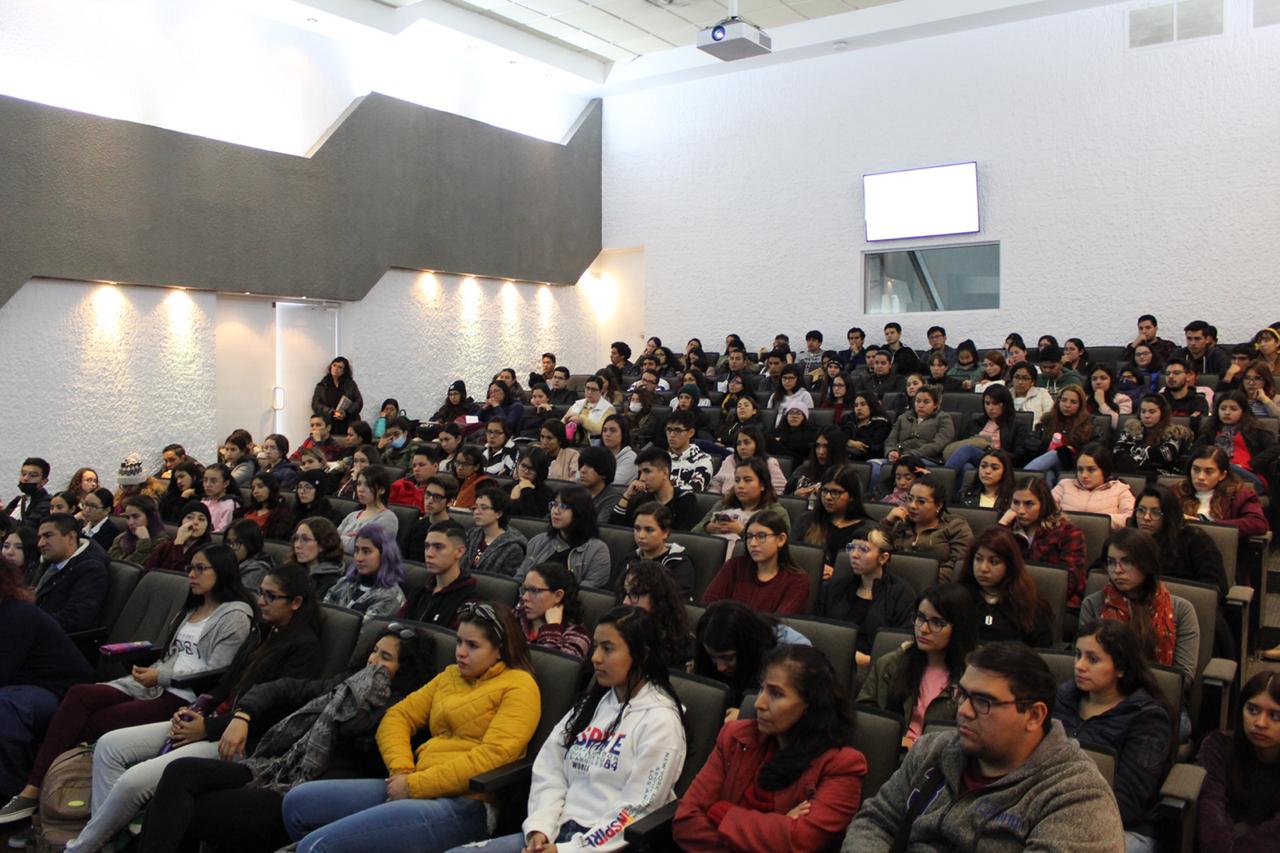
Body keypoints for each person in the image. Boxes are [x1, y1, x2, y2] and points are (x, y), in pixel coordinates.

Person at [55, 563, 325, 852]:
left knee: (134, 780)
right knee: (109, 745)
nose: (261, 601)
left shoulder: (304, 648)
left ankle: (84, 847)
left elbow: (274, 715)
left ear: (296, 602)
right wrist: (197, 710)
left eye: (271, 596)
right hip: (211, 720)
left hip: (240, 740)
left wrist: (206, 728)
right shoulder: (262, 632)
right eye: (260, 593)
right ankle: (110, 841)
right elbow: (225, 684)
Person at [0, 544, 255, 822]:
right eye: (190, 568)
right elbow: (172, 655)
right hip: (157, 683)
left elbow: (217, 671)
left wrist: (160, 676)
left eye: (200, 568)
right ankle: (34, 788)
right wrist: (150, 670)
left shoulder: (235, 615)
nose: (191, 574)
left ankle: (40, 790)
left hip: (185, 696)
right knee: (80, 695)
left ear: (222, 572)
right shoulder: (192, 608)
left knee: (97, 720)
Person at [132, 629, 438, 853]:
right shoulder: (340, 686)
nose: (372, 661)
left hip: (306, 791)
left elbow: (360, 739)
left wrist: (364, 696)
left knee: (190, 810)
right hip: (275, 767)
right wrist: (243, 716)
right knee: (179, 773)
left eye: (385, 658)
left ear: (405, 670)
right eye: (373, 651)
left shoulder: (401, 710)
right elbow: (282, 688)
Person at [277, 603, 538, 852]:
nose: (460, 652)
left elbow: (493, 758)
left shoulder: (520, 686)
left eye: (472, 645)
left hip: (468, 803)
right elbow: (397, 717)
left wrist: (415, 786)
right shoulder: (451, 676)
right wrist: (402, 770)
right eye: (459, 641)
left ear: (499, 650)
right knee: (297, 803)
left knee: (317, 847)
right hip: (414, 783)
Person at [846, 641, 1125, 851]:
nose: (964, 711)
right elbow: (875, 821)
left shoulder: (1077, 798)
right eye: (962, 694)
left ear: (1034, 716)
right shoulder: (933, 750)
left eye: (983, 701)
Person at [452, 606, 685, 853]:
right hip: (556, 832)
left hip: (603, 846)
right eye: (595, 646)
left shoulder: (661, 721)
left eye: (608, 648)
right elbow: (550, 768)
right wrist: (540, 828)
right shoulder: (593, 704)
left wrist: (568, 850)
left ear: (642, 654)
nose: (595, 657)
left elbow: (638, 809)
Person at [674, 644, 868, 852]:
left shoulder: (842, 766)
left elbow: (799, 841)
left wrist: (720, 811)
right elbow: (686, 820)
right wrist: (777, 826)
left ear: (810, 704)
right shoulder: (735, 736)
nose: (759, 703)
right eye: (761, 688)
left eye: (776, 694)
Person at [1053, 620, 1175, 853]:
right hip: (1054, 813)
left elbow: (1129, 801)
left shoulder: (1147, 718)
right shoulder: (1064, 698)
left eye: (1093, 659)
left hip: (1123, 827)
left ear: (1120, 668)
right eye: (1077, 655)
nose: (1079, 665)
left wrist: (1062, 815)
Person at [0, 554, 94, 805]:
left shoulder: (17, 615)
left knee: (3, 707)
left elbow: (3, 671)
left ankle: (12, 792)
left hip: (57, 692)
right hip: (20, 686)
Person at [857, 583, 978, 749]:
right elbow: (864, 715)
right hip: (892, 752)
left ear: (959, 628)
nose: (923, 628)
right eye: (920, 618)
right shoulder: (891, 664)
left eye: (937, 623)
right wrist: (895, 737)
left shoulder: (974, 678)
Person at [1078, 528, 1200, 688]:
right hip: (1103, 695)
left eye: (1127, 561)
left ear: (1147, 564)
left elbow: (1183, 676)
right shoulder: (1094, 604)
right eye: (1111, 562)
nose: (1117, 570)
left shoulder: (1181, 609)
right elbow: (1085, 662)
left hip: (1160, 696)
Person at [1196, 669, 1280, 853]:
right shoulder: (1217, 746)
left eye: (1274, 716)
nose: (1260, 723)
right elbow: (1211, 811)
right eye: (1253, 710)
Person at [816, 529, 914, 666]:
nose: (854, 555)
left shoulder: (900, 593)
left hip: (876, 666)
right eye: (851, 548)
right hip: (832, 660)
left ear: (883, 558)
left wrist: (869, 661)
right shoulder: (835, 588)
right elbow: (818, 629)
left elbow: (902, 643)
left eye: (864, 549)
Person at [955, 527, 1054, 647]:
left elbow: (1041, 654)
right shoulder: (959, 596)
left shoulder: (1029, 605)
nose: (983, 569)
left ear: (1010, 565)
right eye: (978, 559)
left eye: (994, 562)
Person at [998, 477, 1088, 608]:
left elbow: (1068, 582)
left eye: (1029, 504)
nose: (1020, 510)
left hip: (1057, 603)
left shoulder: (1068, 532)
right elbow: (989, 560)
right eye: (1016, 503)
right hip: (1012, 599)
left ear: (1044, 504)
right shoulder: (1008, 529)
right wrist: (1002, 525)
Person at [702, 509, 809, 614]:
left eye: (761, 536)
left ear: (781, 539)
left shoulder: (797, 581)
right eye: (749, 537)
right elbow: (707, 607)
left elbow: (779, 624)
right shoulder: (734, 566)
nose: (753, 543)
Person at [1131, 484, 1227, 596]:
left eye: (1156, 513)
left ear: (1169, 515)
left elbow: (1215, 587)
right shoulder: (1130, 540)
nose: (1146, 518)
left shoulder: (1195, 539)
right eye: (1141, 511)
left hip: (1186, 605)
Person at [878, 475, 974, 583]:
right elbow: (875, 551)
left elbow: (958, 566)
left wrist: (923, 579)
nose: (912, 505)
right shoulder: (901, 523)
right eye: (910, 499)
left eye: (921, 501)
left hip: (936, 588)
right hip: (895, 586)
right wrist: (887, 522)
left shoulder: (955, 526)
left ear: (938, 505)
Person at [514, 484, 611, 589]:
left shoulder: (597, 550)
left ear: (580, 511)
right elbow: (519, 579)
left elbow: (586, 593)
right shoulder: (538, 541)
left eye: (563, 507)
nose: (555, 511)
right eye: (554, 504)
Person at [31, 512, 110, 632]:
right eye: (40, 537)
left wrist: (28, 623)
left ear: (71, 537)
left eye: (47, 536)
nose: (40, 543)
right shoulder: (48, 563)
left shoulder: (90, 570)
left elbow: (76, 618)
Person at [943, 384, 1035, 478]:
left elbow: (1019, 456)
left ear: (1005, 404)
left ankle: (941, 480)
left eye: (995, 403)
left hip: (999, 461)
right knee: (967, 467)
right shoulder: (975, 423)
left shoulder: (1017, 426)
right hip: (977, 462)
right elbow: (961, 444)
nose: (990, 408)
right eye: (987, 403)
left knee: (968, 450)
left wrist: (992, 450)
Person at [798, 463, 873, 577]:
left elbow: (869, 573)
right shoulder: (807, 520)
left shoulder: (867, 530)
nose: (828, 497)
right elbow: (793, 557)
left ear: (852, 496)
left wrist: (837, 574)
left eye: (836, 492)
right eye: (824, 490)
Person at [1197, 389, 1278, 491]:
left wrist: (1250, 464)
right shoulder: (1210, 430)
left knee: (1222, 465)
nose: (1227, 412)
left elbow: (1275, 448)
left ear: (1243, 411)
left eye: (1233, 409)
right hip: (1214, 474)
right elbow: (1196, 452)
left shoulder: (1255, 429)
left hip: (1248, 475)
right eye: (1223, 408)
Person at [323, 524, 407, 622]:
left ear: (384, 555)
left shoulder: (390, 597)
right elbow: (323, 614)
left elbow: (360, 632)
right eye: (356, 550)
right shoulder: (345, 582)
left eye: (366, 552)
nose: (359, 558)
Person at [617, 559, 694, 666]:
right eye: (625, 593)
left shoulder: (679, 647)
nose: (625, 602)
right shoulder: (617, 632)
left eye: (634, 595)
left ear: (657, 599)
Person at [404, 520, 481, 626]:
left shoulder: (469, 601)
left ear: (459, 551)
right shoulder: (420, 591)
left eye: (438, 547)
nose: (429, 554)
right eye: (427, 546)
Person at [613, 502, 695, 599]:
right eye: (637, 529)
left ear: (666, 533)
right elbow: (615, 593)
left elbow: (675, 600)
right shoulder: (628, 560)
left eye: (649, 530)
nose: (641, 536)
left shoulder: (679, 563)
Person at [694, 457, 787, 543]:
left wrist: (742, 531)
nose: (740, 486)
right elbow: (693, 533)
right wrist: (708, 528)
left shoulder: (776, 512)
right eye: (737, 480)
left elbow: (783, 545)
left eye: (748, 480)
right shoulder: (723, 505)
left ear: (762, 485)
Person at [875, 386, 953, 484]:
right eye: (918, 401)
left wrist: (912, 455)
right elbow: (891, 439)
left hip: (926, 458)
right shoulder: (903, 417)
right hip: (900, 457)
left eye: (926, 402)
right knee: (873, 465)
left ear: (935, 405)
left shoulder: (943, 418)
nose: (920, 405)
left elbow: (938, 444)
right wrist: (891, 451)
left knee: (905, 469)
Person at [610, 446, 698, 530]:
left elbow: (683, 537)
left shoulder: (685, 499)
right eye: (640, 472)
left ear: (665, 473)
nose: (642, 478)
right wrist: (627, 495)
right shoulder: (640, 499)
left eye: (647, 471)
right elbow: (614, 529)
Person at [1022, 383, 1095, 484]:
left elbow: (1093, 448)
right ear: (1058, 401)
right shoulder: (1047, 419)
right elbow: (1031, 441)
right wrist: (1045, 446)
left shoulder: (1088, 423)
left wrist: (1068, 451)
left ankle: (1023, 477)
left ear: (1080, 405)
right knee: (1048, 474)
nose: (1067, 405)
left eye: (1073, 402)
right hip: (1047, 462)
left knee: (1057, 453)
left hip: (1073, 464)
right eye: (1064, 400)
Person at [516, 562, 592, 659]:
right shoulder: (517, 616)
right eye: (525, 589)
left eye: (534, 591)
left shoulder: (577, 635)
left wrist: (552, 628)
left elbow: (549, 668)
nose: (525, 597)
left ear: (558, 596)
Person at [1052, 442, 1136, 529]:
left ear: (1104, 470)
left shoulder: (1120, 489)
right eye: (1080, 470)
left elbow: (1130, 518)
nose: (1084, 475)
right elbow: (1045, 509)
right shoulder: (1065, 485)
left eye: (1091, 470)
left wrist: (1098, 521)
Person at [462, 487, 528, 576]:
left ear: (499, 513)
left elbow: (504, 583)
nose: (477, 512)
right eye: (475, 507)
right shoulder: (472, 534)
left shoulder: (513, 547)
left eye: (483, 508)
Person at [336, 467, 398, 554]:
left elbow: (361, 548)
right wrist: (351, 539)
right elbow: (331, 541)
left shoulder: (388, 518)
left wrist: (343, 539)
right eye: (358, 484)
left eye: (368, 485)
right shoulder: (352, 515)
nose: (360, 489)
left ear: (381, 490)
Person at [712, 425, 787, 497]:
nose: (742, 447)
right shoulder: (730, 460)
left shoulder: (769, 463)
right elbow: (716, 483)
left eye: (747, 442)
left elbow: (780, 490)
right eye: (738, 443)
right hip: (726, 504)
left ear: (757, 444)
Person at [287, 517, 347, 598]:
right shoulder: (292, 570)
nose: (297, 545)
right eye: (296, 538)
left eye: (305, 539)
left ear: (323, 544)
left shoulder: (331, 582)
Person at [405, 474, 459, 563]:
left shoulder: (454, 532)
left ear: (450, 502)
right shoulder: (416, 526)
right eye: (428, 494)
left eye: (437, 497)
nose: (430, 500)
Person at [106, 495, 171, 566]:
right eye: (127, 517)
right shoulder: (121, 538)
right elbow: (110, 564)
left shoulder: (162, 543)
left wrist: (144, 543)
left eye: (135, 517)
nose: (130, 522)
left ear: (151, 516)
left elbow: (132, 570)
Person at [664, 408, 715, 492]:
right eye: (669, 429)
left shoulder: (703, 460)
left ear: (690, 433)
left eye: (678, 430)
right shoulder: (661, 458)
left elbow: (694, 490)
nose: (672, 435)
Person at [955, 448, 1015, 514]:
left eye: (994, 468)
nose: (987, 471)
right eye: (983, 466)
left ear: (1005, 471)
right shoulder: (964, 494)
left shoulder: (1014, 499)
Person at [237, 471, 294, 541]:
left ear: (271, 488)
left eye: (260, 486)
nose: (255, 491)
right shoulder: (248, 510)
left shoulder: (282, 514)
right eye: (253, 488)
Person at [224, 518, 275, 592]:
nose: (231, 547)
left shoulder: (258, 568)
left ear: (250, 544)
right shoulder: (227, 560)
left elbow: (239, 597)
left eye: (237, 543)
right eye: (228, 542)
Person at [388, 445, 445, 510]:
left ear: (435, 466)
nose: (416, 469)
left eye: (421, 465)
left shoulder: (441, 491)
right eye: (414, 466)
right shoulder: (399, 485)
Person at [841, 391, 892, 463]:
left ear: (871, 405)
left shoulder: (881, 423)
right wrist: (850, 442)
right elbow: (836, 435)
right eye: (856, 405)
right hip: (846, 457)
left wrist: (845, 441)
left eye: (863, 404)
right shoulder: (849, 420)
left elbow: (867, 446)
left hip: (868, 460)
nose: (858, 408)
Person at [561, 374, 615, 442]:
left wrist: (582, 420)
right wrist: (566, 419)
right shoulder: (578, 403)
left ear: (601, 391)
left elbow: (602, 430)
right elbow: (561, 423)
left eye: (594, 390)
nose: (589, 392)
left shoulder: (609, 408)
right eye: (587, 388)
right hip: (571, 440)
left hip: (594, 443)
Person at [311, 356, 362, 424]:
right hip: (329, 422)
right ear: (331, 367)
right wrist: (330, 412)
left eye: (340, 367)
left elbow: (359, 402)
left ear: (344, 371)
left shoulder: (350, 384)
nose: (336, 369)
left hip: (348, 422)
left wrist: (347, 412)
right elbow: (315, 404)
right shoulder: (322, 385)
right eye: (334, 365)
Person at [4, 458, 52, 529]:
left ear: (44, 481)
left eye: (33, 475)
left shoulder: (47, 503)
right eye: (23, 474)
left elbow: (27, 528)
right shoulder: (18, 500)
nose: (25, 478)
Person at [508, 447, 553, 518]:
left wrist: (526, 490)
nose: (526, 472)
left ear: (540, 471)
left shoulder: (547, 494)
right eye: (523, 466)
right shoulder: (507, 488)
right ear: (518, 464)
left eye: (532, 469)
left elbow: (534, 521)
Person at [157, 459, 202, 523]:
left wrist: (184, 497)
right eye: (176, 479)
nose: (178, 482)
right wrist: (184, 496)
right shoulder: (170, 497)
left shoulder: (203, 497)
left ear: (194, 477)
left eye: (182, 477)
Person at [77, 487, 120, 551]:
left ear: (107, 510)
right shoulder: (80, 525)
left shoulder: (111, 533)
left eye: (93, 506)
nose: (86, 509)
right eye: (85, 504)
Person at [451, 446, 494, 510]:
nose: (459, 468)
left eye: (465, 464)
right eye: (457, 463)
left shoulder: (484, 483)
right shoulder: (454, 481)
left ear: (476, 466)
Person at [599, 413, 636, 484]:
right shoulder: (597, 454)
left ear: (623, 433)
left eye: (613, 430)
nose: (607, 434)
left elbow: (614, 483)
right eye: (604, 430)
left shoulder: (631, 458)